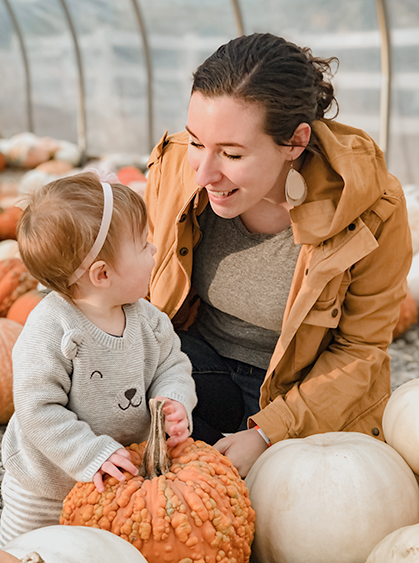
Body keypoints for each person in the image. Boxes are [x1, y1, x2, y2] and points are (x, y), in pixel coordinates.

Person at [144, 33, 412, 477]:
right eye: (195, 142)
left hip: (298, 397)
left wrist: (267, 432)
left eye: (231, 153)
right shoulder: (176, 168)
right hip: (193, 367)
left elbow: (361, 349)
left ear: (294, 142)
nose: (204, 172)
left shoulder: (374, 207)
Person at [0, 171, 197, 548]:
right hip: (46, 488)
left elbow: (172, 365)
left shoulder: (148, 319)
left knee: (95, 552)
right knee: (23, 551)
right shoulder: (51, 329)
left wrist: (175, 400)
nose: (153, 251)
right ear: (102, 274)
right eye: (142, 245)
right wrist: (91, 453)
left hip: (118, 481)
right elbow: (37, 409)